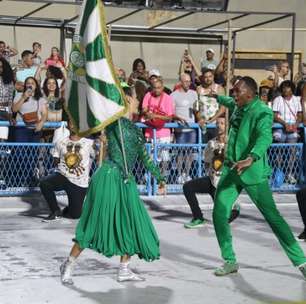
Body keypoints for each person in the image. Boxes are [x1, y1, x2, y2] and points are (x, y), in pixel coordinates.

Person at [59, 87, 166, 285]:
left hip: (126, 181)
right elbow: (100, 114)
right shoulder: (114, 123)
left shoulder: (135, 131)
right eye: (134, 98)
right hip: (108, 177)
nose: (137, 102)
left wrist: (161, 178)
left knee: (132, 223)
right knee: (93, 224)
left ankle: (124, 269)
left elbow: (145, 159)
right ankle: (69, 264)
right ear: (126, 100)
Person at [210, 76, 306, 279]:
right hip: (231, 169)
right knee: (219, 213)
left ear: (250, 94)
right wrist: (217, 97)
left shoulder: (262, 111)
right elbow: (227, 101)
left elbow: (265, 137)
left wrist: (252, 158)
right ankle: (230, 260)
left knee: (273, 218)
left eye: (237, 92)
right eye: (233, 91)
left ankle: (301, 261)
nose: (233, 94)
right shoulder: (237, 103)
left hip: (251, 171)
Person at [183, 117, 240, 228]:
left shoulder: (233, 144)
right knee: (187, 187)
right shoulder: (211, 143)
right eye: (217, 123)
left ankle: (234, 210)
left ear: (227, 126)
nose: (219, 125)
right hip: (212, 179)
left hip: (224, 183)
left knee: (221, 221)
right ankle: (198, 217)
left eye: (222, 123)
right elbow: (207, 162)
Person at [40, 120, 95, 221]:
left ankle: (69, 209)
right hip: (63, 176)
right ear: (68, 125)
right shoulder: (60, 142)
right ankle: (55, 211)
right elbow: (55, 159)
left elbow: (100, 156)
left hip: (79, 182)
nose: (73, 125)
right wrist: (63, 168)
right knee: (44, 183)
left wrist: (104, 144)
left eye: (76, 123)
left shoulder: (89, 143)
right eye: (71, 123)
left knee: (75, 215)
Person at [171, 73, 198, 183]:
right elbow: (171, 112)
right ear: (180, 82)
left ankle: (187, 173)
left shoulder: (194, 93)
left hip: (191, 128)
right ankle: (179, 174)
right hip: (180, 129)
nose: (188, 83)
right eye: (186, 81)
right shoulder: (173, 95)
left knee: (189, 153)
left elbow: (197, 109)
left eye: (189, 81)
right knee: (180, 152)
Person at [12, 76, 47, 142]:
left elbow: (45, 114)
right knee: (21, 150)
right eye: (28, 83)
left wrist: (41, 122)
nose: (30, 85)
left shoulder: (40, 98)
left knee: (33, 151)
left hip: (36, 129)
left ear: (36, 86)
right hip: (21, 129)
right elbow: (14, 110)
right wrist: (23, 98)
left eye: (32, 83)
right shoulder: (19, 95)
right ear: (25, 85)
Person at [195, 69, 225, 142]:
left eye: (210, 76)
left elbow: (223, 108)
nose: (208, 79)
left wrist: (211, 120)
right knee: (203, 148)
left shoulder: (219, 89)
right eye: (205, 77)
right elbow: (196, 107)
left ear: (213, 77)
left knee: (214, 147)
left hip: (215, 125)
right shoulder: (199, 89)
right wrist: (200, 119)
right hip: (202, 125)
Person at [0, 58, 14, 141]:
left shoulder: (9, 81)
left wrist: (10, 114)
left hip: (4, 112)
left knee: (3, 139)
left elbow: (10, 100)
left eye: (1, 67)